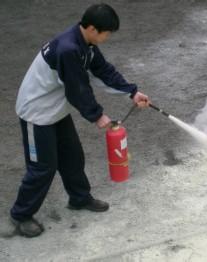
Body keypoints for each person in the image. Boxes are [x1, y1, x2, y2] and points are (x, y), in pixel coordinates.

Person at [10, 3, 150, 238]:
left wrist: (132, 91)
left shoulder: (86, 43)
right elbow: (77, 89)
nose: (108, 37)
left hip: (55, 111)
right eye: (107, 33)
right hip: (36, 113)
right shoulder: (68, 49)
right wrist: (97, 115)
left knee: (73, 156)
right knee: (43, 167)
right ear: (94, 29)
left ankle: (79, 198)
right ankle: (20, 215)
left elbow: (103, 71)